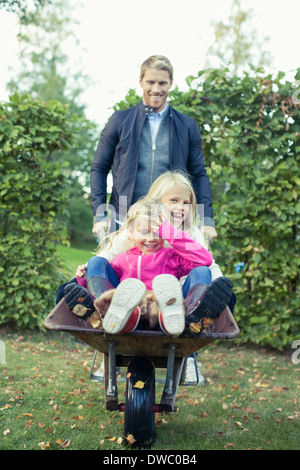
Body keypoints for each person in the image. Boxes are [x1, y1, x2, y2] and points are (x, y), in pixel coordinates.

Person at [90, 55, 217, 245]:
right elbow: (99, 168)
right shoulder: (119, 121)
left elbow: (198, 174)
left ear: (171, 83)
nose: (156, 89)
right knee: (119, 273)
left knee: (165, 275)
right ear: (141, 81)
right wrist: (99, 216)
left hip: (168, 224)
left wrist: (206, 219)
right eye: (150, 82)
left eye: (162, 83)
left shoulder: (187, 126)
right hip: (123, 219)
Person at [64, 198, 232, 339]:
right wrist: (83, 278)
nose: (151, 239)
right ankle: (104, 315)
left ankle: (192, 319)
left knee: (202, 271)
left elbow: (205, 259)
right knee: (96, 262)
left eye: (158, 233)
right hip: (130, 316)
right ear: (131, 231)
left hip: (165, 315)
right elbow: (102, 282)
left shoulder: (172, 257)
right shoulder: (123, 259)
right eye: (145, 232)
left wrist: (168, 231)